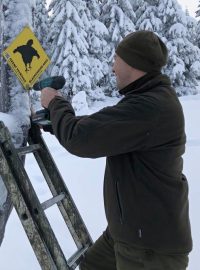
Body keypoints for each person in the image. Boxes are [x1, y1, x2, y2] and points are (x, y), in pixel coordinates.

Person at [41, 30, 192, 270]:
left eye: (116, 59)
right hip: (131, 231)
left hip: (149, 249)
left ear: (134, 63)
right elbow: (103, 126)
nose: (112, 68)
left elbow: (81, 138)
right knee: (92, 265)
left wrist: (55, 102)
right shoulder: (148, 100)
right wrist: (55, 121)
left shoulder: (149, 106)